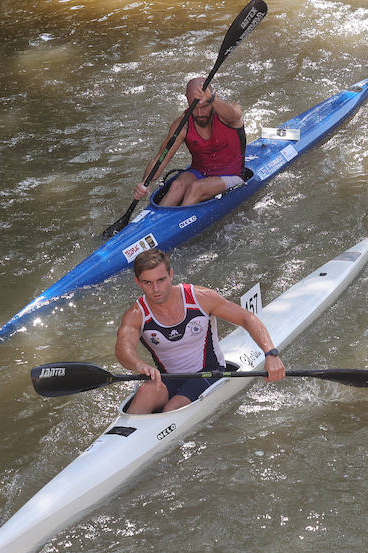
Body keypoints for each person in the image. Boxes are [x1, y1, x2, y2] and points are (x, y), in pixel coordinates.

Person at [115, 248, 285, 414]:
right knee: (146, 391)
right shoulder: (136, 314)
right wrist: (139, 365)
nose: (156, 289)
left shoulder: (200, 298)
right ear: (137, 282)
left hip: (210, 372)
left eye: (161, 280)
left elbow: (247, 318)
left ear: (171, 275)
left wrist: (271, 354)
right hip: (169, 379)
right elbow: (123, 349)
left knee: (172, 408)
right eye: (148, 283)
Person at [132, 78, 250, 207]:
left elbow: (235, 115)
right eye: (194, 106)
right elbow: (160, 159)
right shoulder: (182, 125)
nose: (199, 113)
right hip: (199, 173)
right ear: (187, 99)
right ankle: (157, 220)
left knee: (196, 188)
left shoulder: (228, 114)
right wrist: (144, 183)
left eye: (204, 106)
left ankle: (179, 224)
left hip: (232, 176)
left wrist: (213, 99)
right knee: (177, 185)